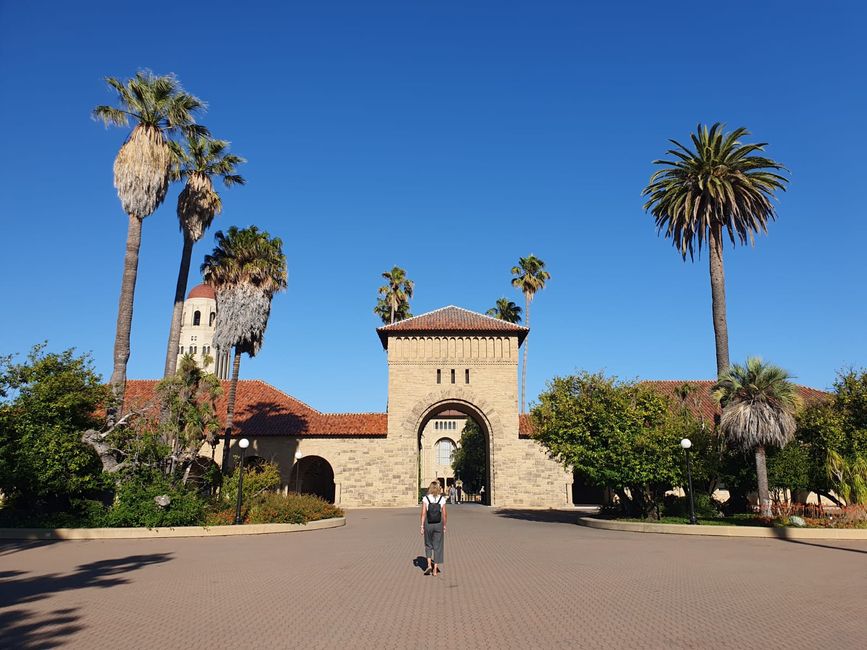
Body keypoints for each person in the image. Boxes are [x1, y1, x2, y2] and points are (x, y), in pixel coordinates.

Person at [420, 481, 447, 576]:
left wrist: (422, 526)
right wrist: (444, 525)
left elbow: (423, 513)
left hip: (428, 523)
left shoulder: (426, 498)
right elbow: (444, 514)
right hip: (439, 523)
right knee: (438, 546)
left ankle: (429, 565)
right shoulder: (442, 499)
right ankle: (435, 570)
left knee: (428, 544)